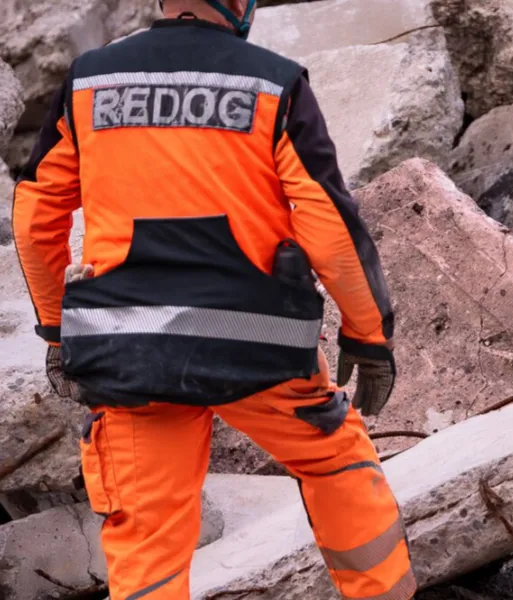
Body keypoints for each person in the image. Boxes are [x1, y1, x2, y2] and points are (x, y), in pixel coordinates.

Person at [11, 0, 415, 597]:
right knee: (336, 464)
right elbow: (330, 225)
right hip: (259, 348)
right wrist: (368, 334)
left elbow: (35, 216)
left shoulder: (91, 80)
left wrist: (54, 330)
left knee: (148, 541)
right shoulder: (274, 82)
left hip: (129, 351)